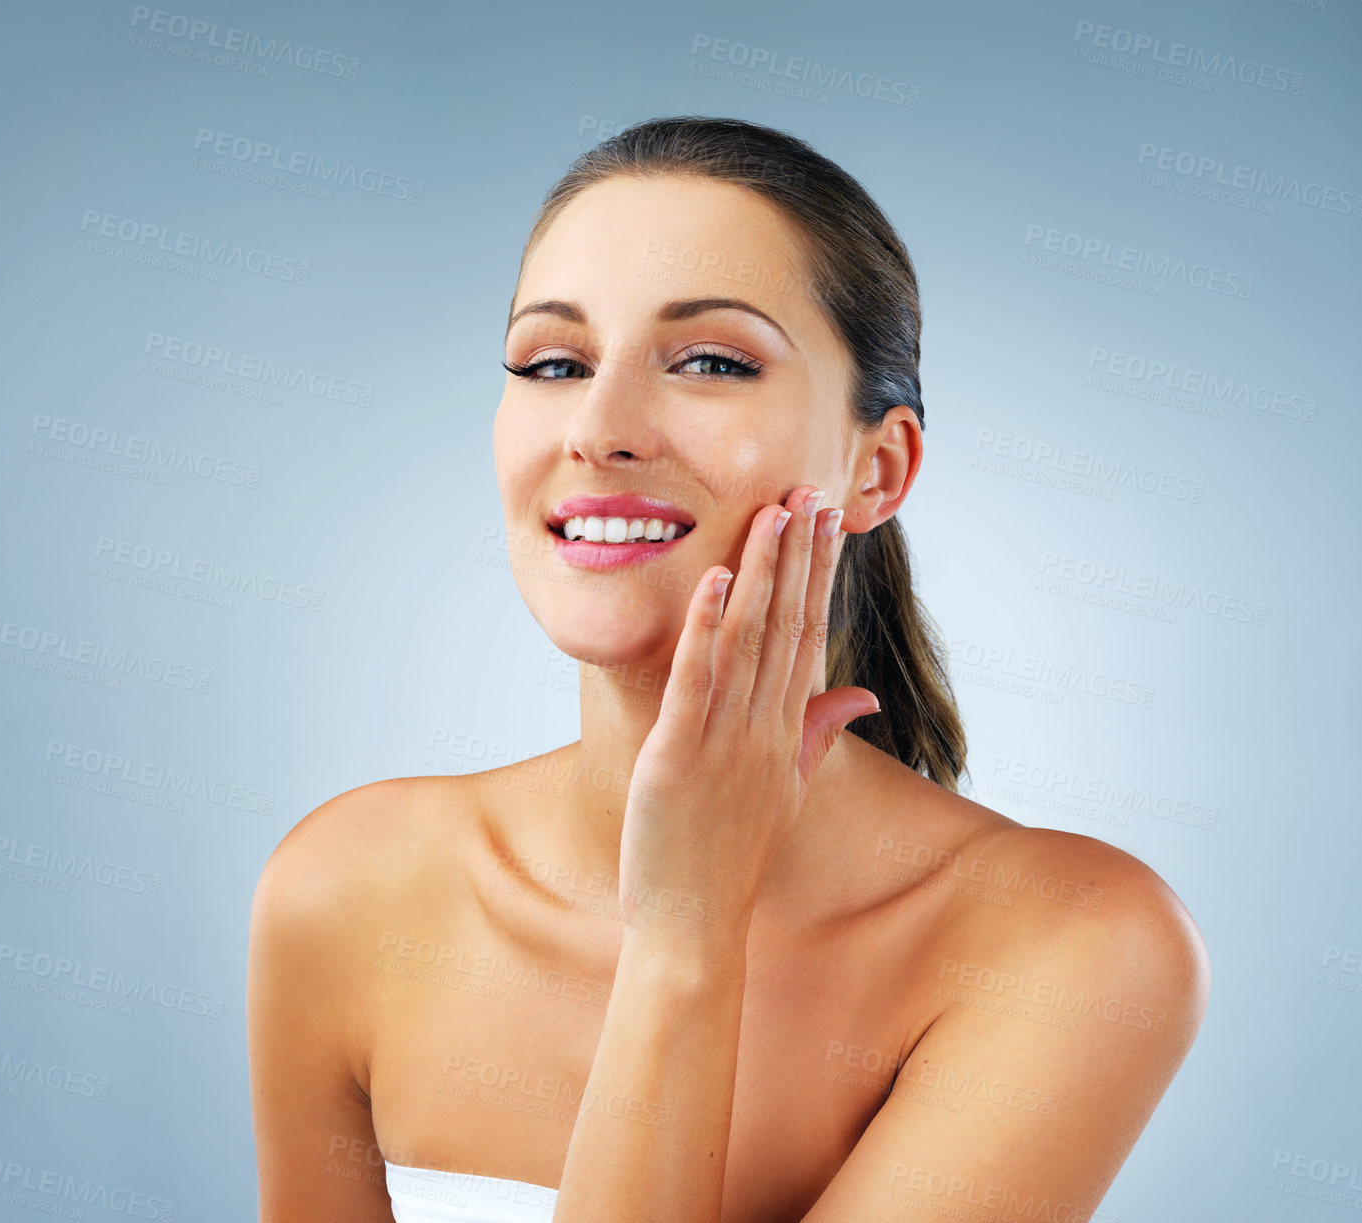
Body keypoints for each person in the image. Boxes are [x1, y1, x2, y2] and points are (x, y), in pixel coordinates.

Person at [247, 115, 1209, 1223]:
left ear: (877, 468)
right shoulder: (348, 886)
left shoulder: (1075, 944)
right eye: (552, 362)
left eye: (711, 361)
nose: (598, 429)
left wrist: (684, 934)